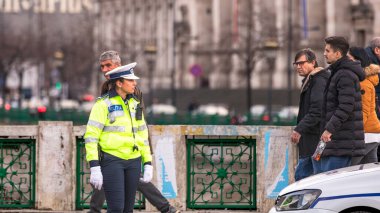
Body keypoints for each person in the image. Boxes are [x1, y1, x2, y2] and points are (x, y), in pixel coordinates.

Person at [88, 50, 179, 213]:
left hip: (132, 151)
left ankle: (165, 208)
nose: (104, 69)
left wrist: (147, 159)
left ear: (118, 65)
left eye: (108, 65)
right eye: (102, 66)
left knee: (130, 192)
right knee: (112, 193)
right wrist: (95, 164)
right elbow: (96, 128)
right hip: (110, 153)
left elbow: (138, 124)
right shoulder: (105, 94)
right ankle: (166, 208)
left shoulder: (133, 92)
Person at [85, 62, 152, 212]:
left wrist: (147, 162)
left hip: (134, 162)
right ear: (119, 83)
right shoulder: (103, 104)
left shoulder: (135, 103)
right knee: (116, 209)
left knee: (128, 210)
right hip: (112, 161)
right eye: (130, 80)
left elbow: (142, 134)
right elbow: (91, 137)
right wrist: (94, 167)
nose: (135, 83)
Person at [318, 36, 365, 173]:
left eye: (327, 50)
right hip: (337, 142)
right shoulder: (338, 72)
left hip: (342, 144)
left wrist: (329, 130)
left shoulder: (345, 75)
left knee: (331, 187)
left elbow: (346, 106)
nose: (324, 53)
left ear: (338, 54)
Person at [290, 49, 329, 181]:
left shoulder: (318, 80)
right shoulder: (312, 79)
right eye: (296, 64)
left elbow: (316, 111)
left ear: (313, 63)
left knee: (302, 179)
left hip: (314, 141)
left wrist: (299, 129)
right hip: (312, 141)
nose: (298, 67)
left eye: (302, 63)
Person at [347, 47, 380, 164]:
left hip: (367, 134)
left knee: (350, 168)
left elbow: (364, 111)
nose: (346, 60)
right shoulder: (363, 81)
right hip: (370, 132)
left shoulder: (363, 84)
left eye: (349, 58)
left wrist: (353, 132)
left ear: (358, 60)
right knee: (369, 169)